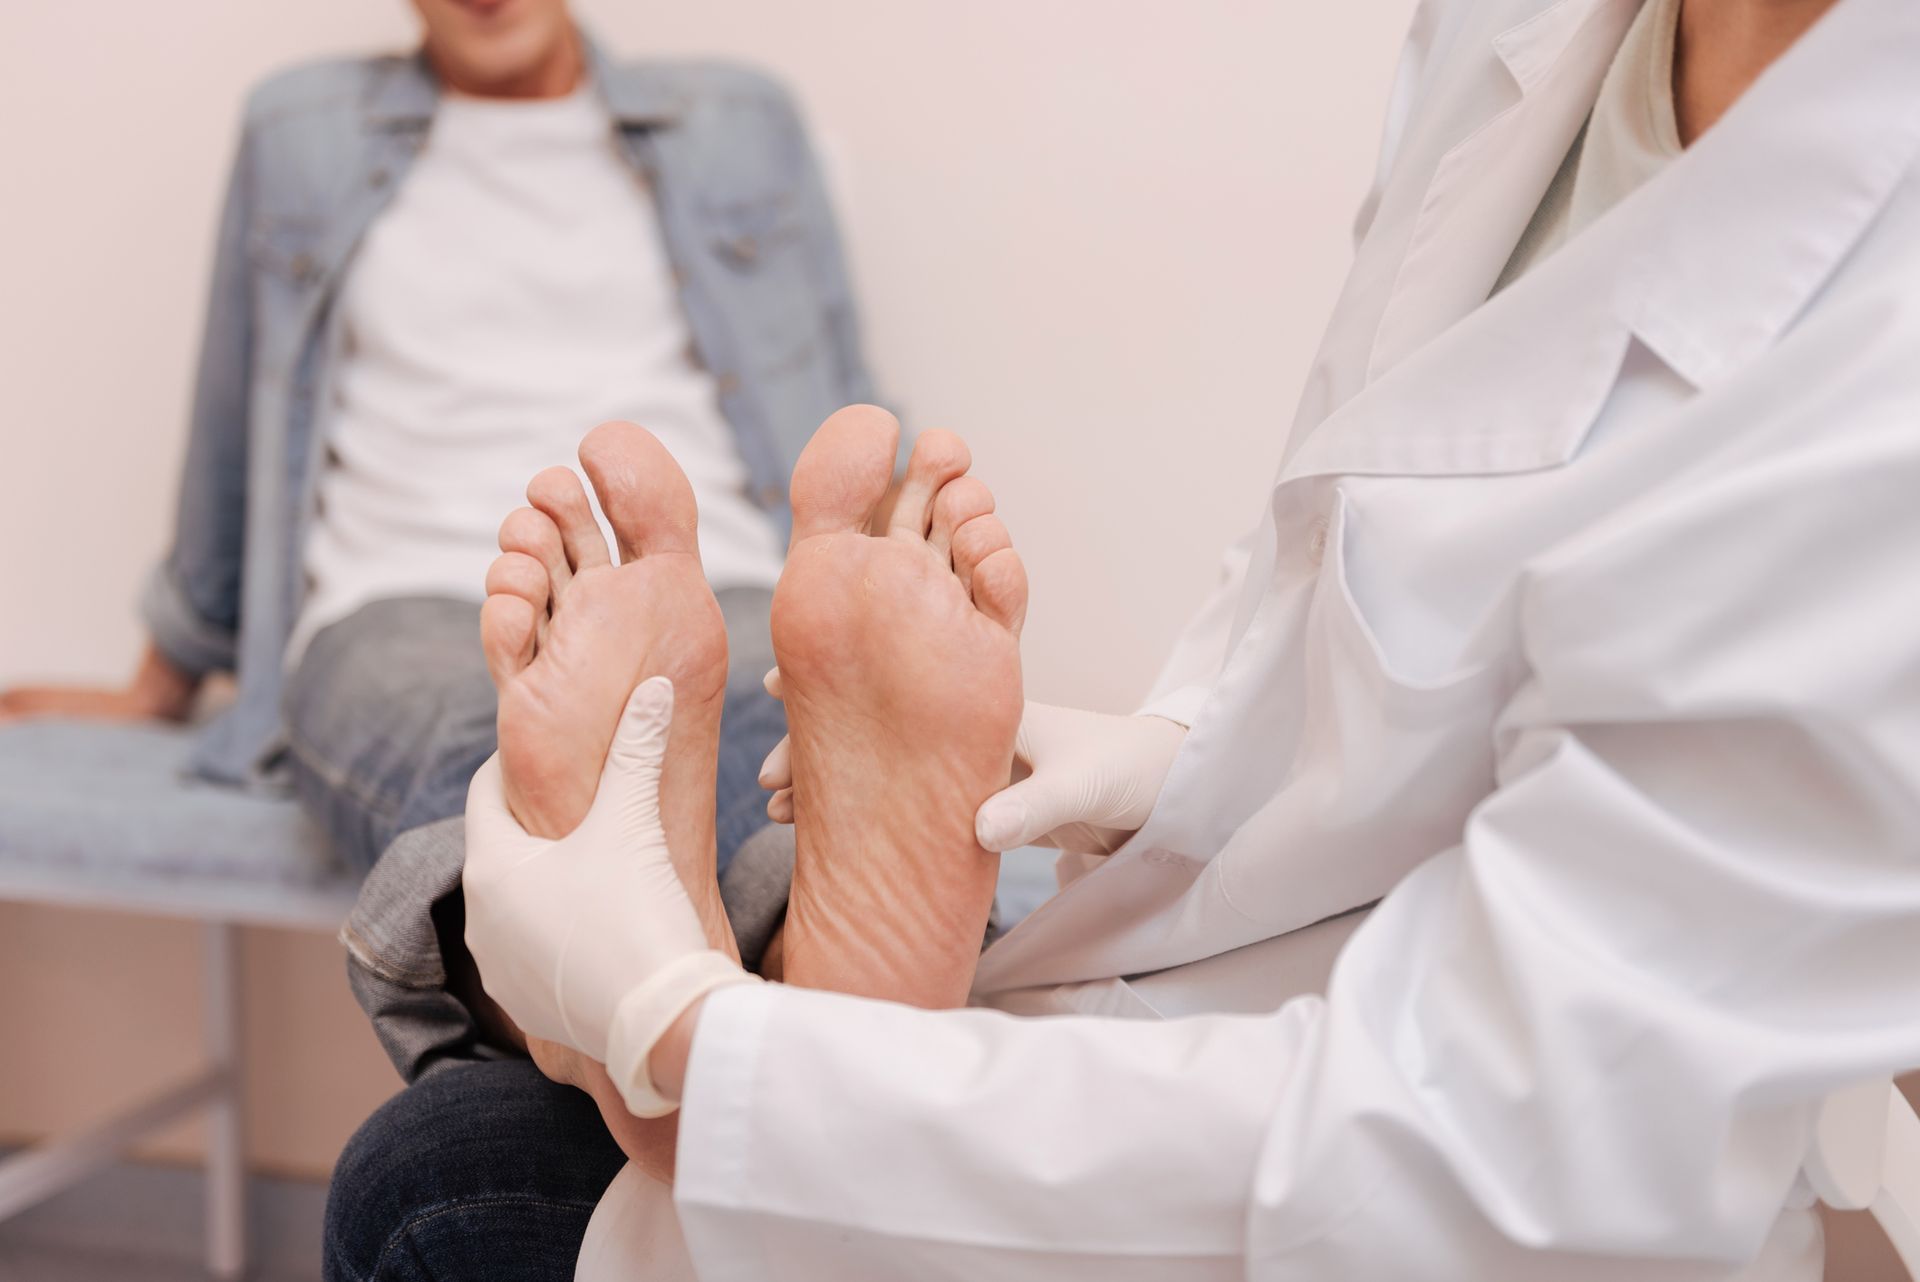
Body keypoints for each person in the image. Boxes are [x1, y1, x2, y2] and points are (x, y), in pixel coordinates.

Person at [423, 0, 1920, 1276]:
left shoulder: (1885, 373)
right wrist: (1191, 747)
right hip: (1311, 956)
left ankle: (681, 974)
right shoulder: (1538, 28)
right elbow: (1353, 520)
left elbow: (1483, 1158)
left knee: (446, 1161)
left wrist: (691, 1040)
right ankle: (721, 956)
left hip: (1436, 1176)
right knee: (488, 1097)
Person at [0, 0, 873, 1098]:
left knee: (758, 712)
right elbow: (234, 422)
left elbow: (841, 413)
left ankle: (599, 1004)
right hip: (403, 591)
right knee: (479, 737)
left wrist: (874, 610)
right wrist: (159, 677)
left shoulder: (741, 121)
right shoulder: (299, 132)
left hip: (704, 576)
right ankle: (786, 982)